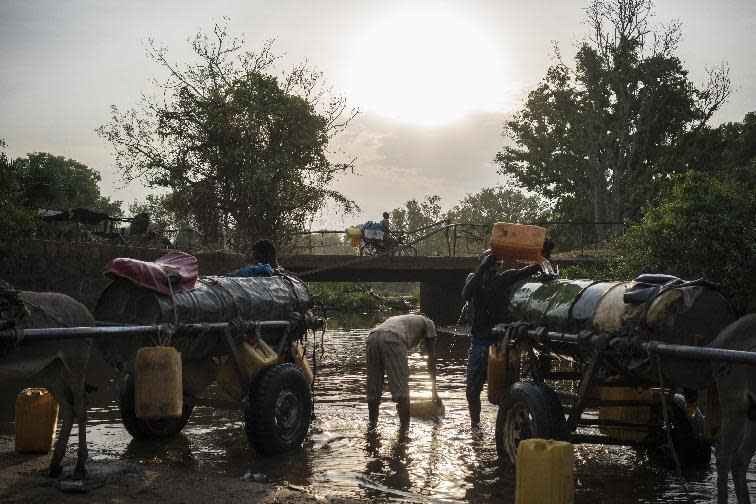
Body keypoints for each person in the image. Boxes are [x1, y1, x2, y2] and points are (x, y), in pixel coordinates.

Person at [461, 246, 549, 427]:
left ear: (498, 267)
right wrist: (483, 266)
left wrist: (544, 253)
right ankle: (475, 425)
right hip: (477, 345)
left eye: (495, 265)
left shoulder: (503, 279)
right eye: (489, 264)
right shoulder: (474, 280)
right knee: (471, 391)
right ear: (483, 265)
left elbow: (531, 269)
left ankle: (509, 425)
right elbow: (466, 293)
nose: (493, 268)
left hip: (499, 347)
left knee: (506, 392)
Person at [366, 314, 438, 429]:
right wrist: (434, 392)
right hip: (393, 339)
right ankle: (404, 433)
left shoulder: (402, 319)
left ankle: (372, 428)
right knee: (402, 392)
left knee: (373, 392)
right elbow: (431, 359)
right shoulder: (429, 323)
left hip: (372, 338)